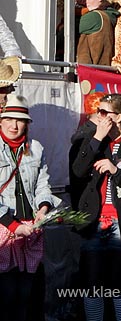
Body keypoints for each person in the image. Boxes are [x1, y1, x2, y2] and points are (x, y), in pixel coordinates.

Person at [70, 93, 121, 321]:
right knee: (92, 284)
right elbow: (77, 171)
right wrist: (96, 139)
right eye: (99, 111)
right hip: (94, 220)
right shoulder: (93, 138)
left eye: (105, 112)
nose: (100, 116)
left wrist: (116, 171)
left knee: (118, 284)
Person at [0, 96, 58, 321]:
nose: (14, 125)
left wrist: (43, 208)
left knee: (27, 292)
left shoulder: (35, 148)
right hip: (5, 227)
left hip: (31, 227)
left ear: (27, 124)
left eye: (20, 120)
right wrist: (13, 225)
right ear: (1, 121)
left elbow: (43, 184)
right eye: (10, 119)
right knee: (6, 292)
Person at [76, 0, 118, 67]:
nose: (86, 1)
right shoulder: (113, 14)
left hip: (94, 70)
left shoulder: (93, 17)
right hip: (110, 68)